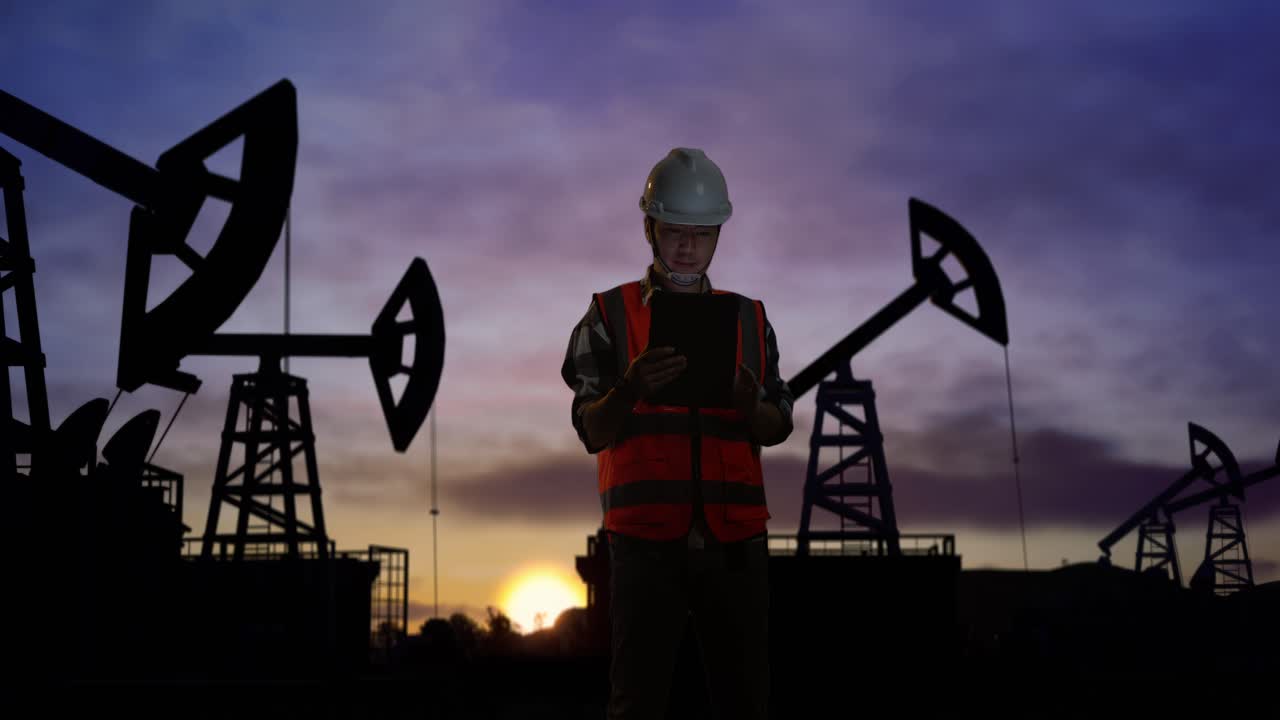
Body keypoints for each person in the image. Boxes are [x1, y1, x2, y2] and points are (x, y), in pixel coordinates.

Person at [561, 147, 794, 719]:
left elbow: (780, 420)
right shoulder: (608, 316)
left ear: (718, 235)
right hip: (644, 543)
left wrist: (749, 405)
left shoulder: (750, 319)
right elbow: (591, 428)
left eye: (701, 233)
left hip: (735, 540)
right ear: (649, 228)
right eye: (673, 232)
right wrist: (631, 388)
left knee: (746, 701)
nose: (687, 246)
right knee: (636, 703)